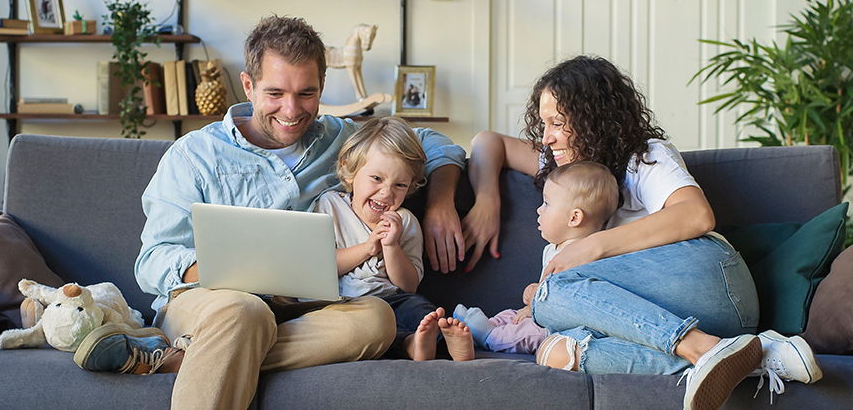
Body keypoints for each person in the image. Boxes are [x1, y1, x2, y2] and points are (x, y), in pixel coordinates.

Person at [74, 15, 468, 410]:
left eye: (306, 94)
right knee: (245, 311)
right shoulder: (194, 155)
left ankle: (182, 358)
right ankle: (210, 343)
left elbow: (433, 144)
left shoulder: (344, 139)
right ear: (248, 85)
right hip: (212, 305)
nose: (292, 110)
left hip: (305, 310)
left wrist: (438, 203)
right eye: (275, 93)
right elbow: (152, 262)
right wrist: (231, 268)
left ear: (322, 87)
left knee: (376, 320)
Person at [461, 56, 822, 410]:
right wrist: (487, 201)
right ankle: (753, 355)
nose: (548, 138)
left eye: (557, 122)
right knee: (555, 350)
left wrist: (591, 248)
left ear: (592, 119)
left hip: (713, 281)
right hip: (692, 317)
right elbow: (488, 142)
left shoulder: (644, 157)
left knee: (551, 293)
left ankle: (700, 347)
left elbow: (697, 215)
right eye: (544, 124)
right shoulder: (566, 166)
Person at [312, 116, 474, 362]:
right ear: (349, 172)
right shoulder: (329, 206)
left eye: (399, 185)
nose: (386, 193)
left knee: (420, 310)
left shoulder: (405, 221)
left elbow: (408, 285)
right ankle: (410, 345)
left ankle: (435, 343)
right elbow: (321, 267)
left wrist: (391, 246)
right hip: (341, 303)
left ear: (410, 187)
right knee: (357, 325)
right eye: (376, 179)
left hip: (391, 299)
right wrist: (368, 248)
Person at [454, 161, 618, 355]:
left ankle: (491, 337)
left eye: (546, 204)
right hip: (539, 313)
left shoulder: (584, 257)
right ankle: (482, 326)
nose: (539, 210)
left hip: (558, 327)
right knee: (511, 315)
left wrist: (534, 303)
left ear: (574, 218)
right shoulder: (552, 249)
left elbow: (565, 304)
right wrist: (533, 295)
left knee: (529, 333)